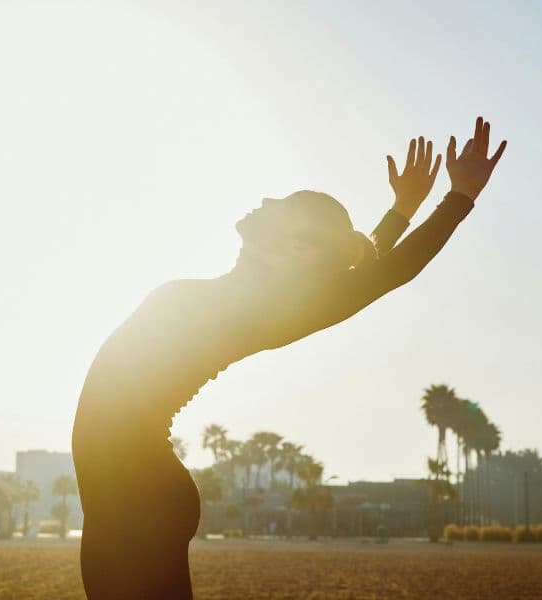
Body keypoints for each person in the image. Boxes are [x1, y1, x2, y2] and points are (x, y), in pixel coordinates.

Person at [72, 117, 506, 598]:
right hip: (126, 490)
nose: (267, 202)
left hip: (135, 493)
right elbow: (358, 267)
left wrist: (458, 197)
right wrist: (401, 210)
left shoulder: (270, 309)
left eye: (285, 205)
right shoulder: (250, 295)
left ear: (299, 250)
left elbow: (385, 274)